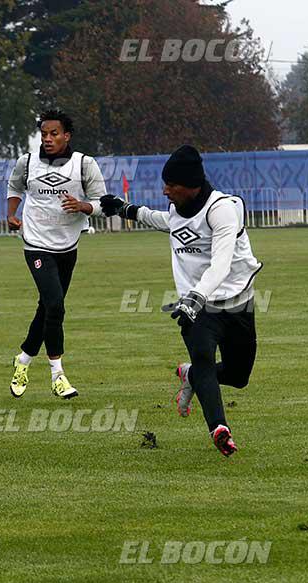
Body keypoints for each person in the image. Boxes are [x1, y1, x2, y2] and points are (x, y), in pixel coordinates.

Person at [98, 145, 262, 456]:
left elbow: (221, 264)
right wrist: (124, 208)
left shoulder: (222, 209)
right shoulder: (177, 209)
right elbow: (163, 220)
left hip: (236, 302)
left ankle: (189, 375)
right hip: (194, 307)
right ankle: (219, 429)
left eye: (172, 185)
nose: (165, 191)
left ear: (192, 185)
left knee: (239, 377)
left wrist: (198, 296)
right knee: (203, 358)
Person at [6, 109, 107, 399]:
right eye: (43, 134)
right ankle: (57, 375)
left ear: (67, 136)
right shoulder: (27, 163)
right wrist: (11, 214)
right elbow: (14, 186)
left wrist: (84, 206)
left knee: (48, 307)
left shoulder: (84, 165)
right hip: (36, 244)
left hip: (68, 246)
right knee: (56, 305)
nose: (47, 139)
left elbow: (103, 202)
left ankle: (23, 359)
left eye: (54, 134)